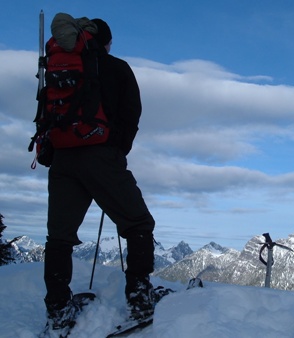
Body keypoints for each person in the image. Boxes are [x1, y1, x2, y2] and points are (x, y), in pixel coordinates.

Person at [43, 17, 156, 331]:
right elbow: (131, 113)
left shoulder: (59, 70)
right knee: (138, 223)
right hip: (101, 156)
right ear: (104, 41)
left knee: (60, 237)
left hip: (62, 158)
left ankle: (58, 310)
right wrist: (116, 152)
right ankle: (139, 299)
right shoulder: (116, 68)